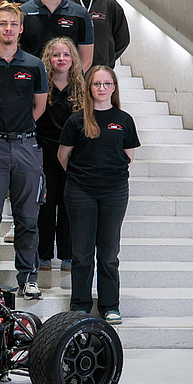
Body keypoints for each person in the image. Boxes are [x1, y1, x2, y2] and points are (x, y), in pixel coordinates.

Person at [0, 3, 49, 300]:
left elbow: (39, 106)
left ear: (21, 28)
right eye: (2, 24)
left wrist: (20, 130)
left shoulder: (33, 65)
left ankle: (28, 277)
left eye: (13, 24)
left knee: (27, 218)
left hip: (27, 146)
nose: (8, 29)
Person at [58, 65, 139, 325]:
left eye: (106, 84)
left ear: (114, 88)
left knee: (108, 252)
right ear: (88, 88)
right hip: (80, 191)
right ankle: (80, 305)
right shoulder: (77, 120)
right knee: (81, 252)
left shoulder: (124, 119)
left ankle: (110, 306)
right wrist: (84, 175)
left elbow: (128, 157)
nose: (101, 88)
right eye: (96, 84)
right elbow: (63, 156)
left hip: (114, 192)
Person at [36, 37, 85, 273]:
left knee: (68, 204)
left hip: (72, 154)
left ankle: (67, 254)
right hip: (44, 151)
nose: (61, 59)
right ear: (49, 59)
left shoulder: (81, 87)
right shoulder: (41, 85)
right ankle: (44, 254)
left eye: (66, 55)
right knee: (45, 204)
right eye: (56, 55)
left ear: (72, 59)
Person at [21, 0, 95, 70]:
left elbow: (86, 59)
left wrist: (70, 82)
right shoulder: (23, 13)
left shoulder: (80, 14)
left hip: (68, 85)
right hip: (33, 84)